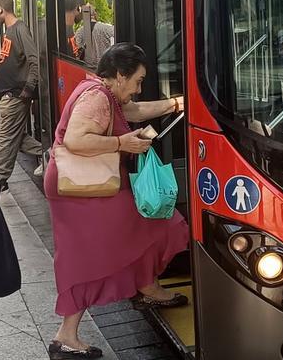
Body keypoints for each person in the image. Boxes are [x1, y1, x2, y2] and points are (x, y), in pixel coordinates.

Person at [44, 43, 189, 359]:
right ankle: (65, 336)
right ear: (120, 75)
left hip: (87, 185)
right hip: (83, 189)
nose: (138, 89)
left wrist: (176, 103)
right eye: (137, 81)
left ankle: (147, 286)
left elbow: (135, 111)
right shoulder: (97, 97)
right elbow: (75, 139)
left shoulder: (105, 93)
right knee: (94, 254)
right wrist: (121, 142)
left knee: (145, 228)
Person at [0, 0, 42, 189]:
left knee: (6, 137)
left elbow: (34, 60)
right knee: (17, 138)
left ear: (1, 10)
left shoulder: (20, 29)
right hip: (9, 95)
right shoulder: (10, 30)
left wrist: (28, 88)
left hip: (15, 95)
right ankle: (51, 153)